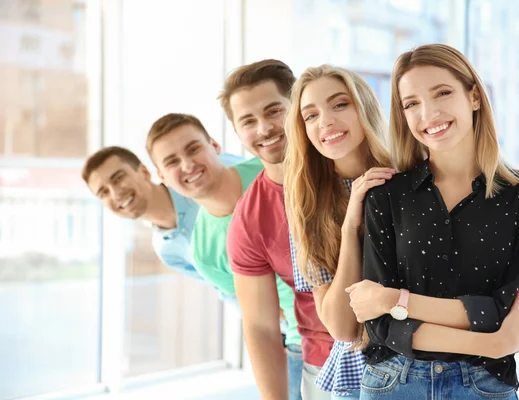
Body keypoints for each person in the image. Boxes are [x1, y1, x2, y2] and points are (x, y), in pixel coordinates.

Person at [347, 44, 519, 399]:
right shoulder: (386, 196)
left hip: (485, 385)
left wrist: (394, 299)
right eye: (411, 103)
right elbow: (381, 324)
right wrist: (491, 345)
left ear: (474, 97)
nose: (428, 113)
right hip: (394, 382)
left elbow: (505, 311)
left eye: (442, 93)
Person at [145, 113, 302, 393]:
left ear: (215, 145)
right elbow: (262, 322)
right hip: (303, 346)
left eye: (193, 149)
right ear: (161, 177)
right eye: (171, 162)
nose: (187, 164)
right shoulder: (203, 254)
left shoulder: (273, 171)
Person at [223, 60, 334, 400]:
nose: (264, 128)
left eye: (274, 111)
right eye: (248, 121)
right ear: (238, 133)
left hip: (406, 355)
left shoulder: (350, 166)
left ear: (299, 108)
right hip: (324, 368)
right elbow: (260, 327)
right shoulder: (248, 219)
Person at [283, 65, 394, 399]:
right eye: (311, 115)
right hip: (354, 380)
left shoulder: (411, 178)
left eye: (340, 104)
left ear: (364, 107)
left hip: (422, 371)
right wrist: (350, 225)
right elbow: (341, 327)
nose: (326, 122)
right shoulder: (307, 206)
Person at [82, 145, 239, 291]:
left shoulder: (201, 178)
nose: (115, 194)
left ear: (144, 171)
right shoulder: (167, 251)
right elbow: (227, 289)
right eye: (103, 193)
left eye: (118, 178)